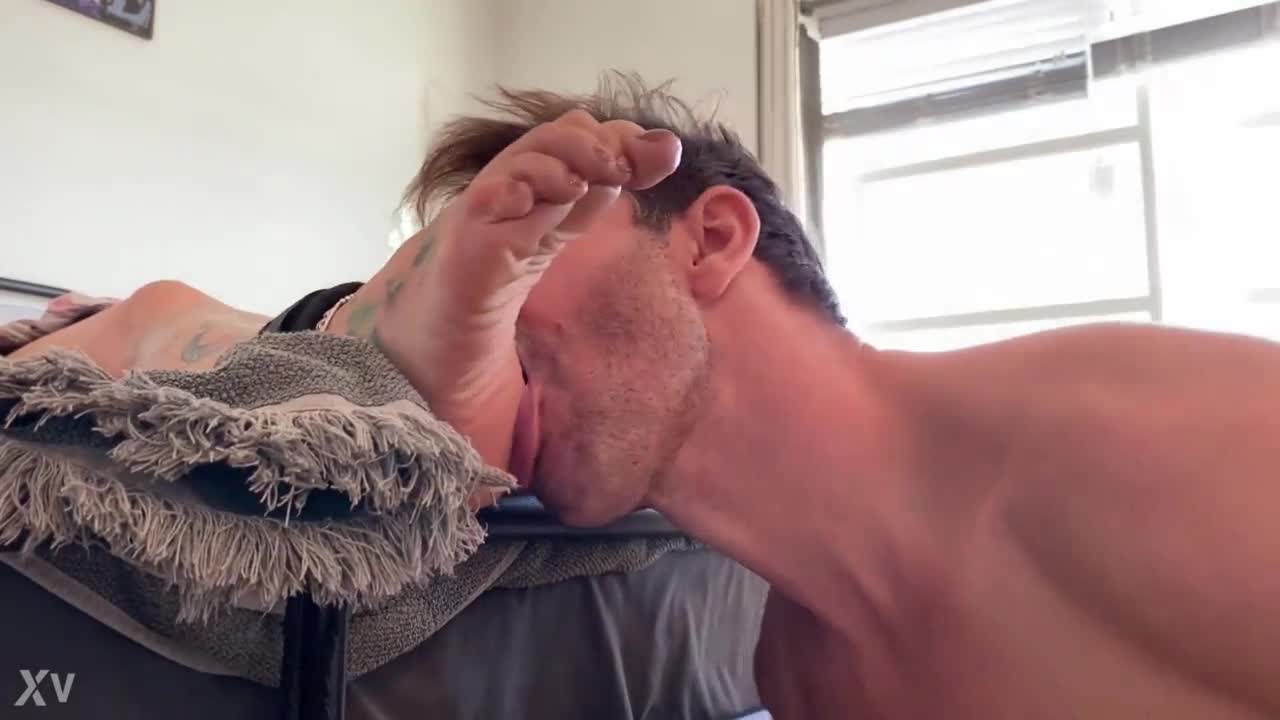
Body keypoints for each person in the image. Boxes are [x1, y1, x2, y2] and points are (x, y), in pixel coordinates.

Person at [15, 72, 1280, 719]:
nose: (503, 337)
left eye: (537, 250)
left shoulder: (1124, 445)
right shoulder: (797, 661)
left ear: (710, 239)